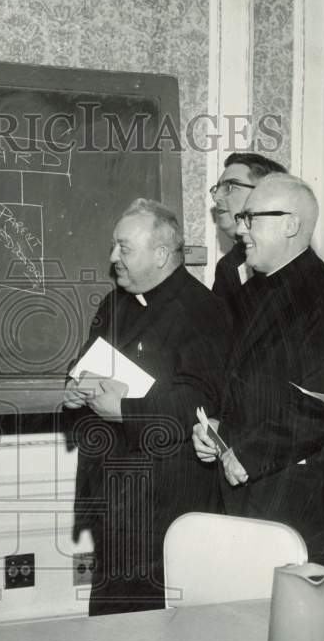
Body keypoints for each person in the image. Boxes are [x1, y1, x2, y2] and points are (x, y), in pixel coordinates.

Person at [64, 198, 229, 616]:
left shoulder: (202, 310)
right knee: (110, 624)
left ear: (160, 255)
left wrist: (125, 410)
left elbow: (199, 402)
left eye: (124, 248)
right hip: (112, 496)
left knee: (159, 627)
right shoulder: (114, 303)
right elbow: (84, 364)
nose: (112, 258)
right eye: (114, 247)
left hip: (164, 503)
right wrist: (74, 389)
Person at [193, 174, 324, 565]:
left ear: (290, 224)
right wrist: (215, 424)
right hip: (243, 486)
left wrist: (248, 453)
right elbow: (237, 381)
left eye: (252, 218)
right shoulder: (252, 291)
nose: (241, 229)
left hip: (290, 496)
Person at [210, 152, 287, 329]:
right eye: (217, 189)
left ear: (265, 193)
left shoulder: (290, 258)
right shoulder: (228, 266)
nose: (216, 198)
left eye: (229, 187)